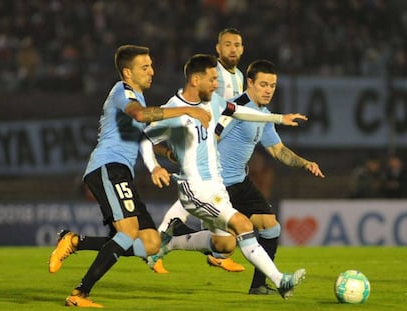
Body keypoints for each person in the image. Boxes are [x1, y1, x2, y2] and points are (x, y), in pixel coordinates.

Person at [47, 45, 211, 308]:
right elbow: (140, 115)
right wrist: (186, 110)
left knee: (150, 242)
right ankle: (80, 294)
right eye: (144, 67)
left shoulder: (138, 97)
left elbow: (140, 136)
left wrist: (168, 156)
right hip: (107, 167)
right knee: (128, 232)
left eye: (151, 66)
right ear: (127, 72)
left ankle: (75, 241)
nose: (151, 71)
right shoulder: (122, 91)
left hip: (121, 171)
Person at [148, 59, 325, 295]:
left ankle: (259, 286)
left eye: (272, 85)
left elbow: (277, 150)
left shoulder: (262, 114)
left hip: (239, 182)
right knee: (228, 242)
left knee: (268, 228)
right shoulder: (233, 107)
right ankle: (168, 240)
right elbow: (212, 136)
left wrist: (305, 163)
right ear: (249, 83)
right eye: (263, 84)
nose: (268, 90)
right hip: (216, 184)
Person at [154, 27, 246, 273]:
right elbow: (217, 107)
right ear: (218, 49)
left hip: (217, 144)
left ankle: (215, 251)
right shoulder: (213, 75)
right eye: (228, 44)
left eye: (237, 44)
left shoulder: (238, 78)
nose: (233, 49)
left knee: (209, 208)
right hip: (208, 144)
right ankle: (159, 241)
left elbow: (230, 111)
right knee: (197, 195)